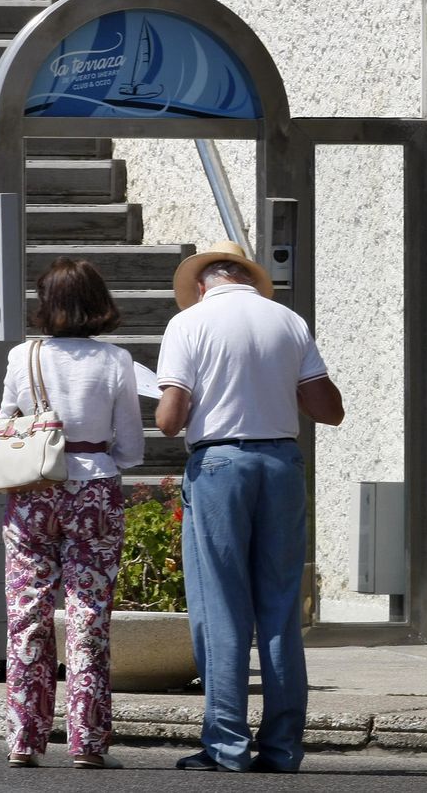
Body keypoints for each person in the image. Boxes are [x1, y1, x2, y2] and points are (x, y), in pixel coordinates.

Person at [154, 241, 344, 774]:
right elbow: (330, 411)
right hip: (282, 463)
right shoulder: (287, 320)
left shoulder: (189, 324)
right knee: (281, 609)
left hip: (219, 464)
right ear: (247, 278)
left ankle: (226, 745)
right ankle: (282, 748)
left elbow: (170, 419)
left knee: (220, 607)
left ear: (200, 284)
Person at [0, 258, 144, 769]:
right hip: (96, 490)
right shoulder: (116, 361)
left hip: (35, 488)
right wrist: (99, 456)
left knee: (27, 614)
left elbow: (5, 425)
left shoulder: (24, 355)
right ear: (99, 302)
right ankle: (87, 742)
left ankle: (24, 737)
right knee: (89, 615)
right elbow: (131, 448)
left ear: (46, 303)